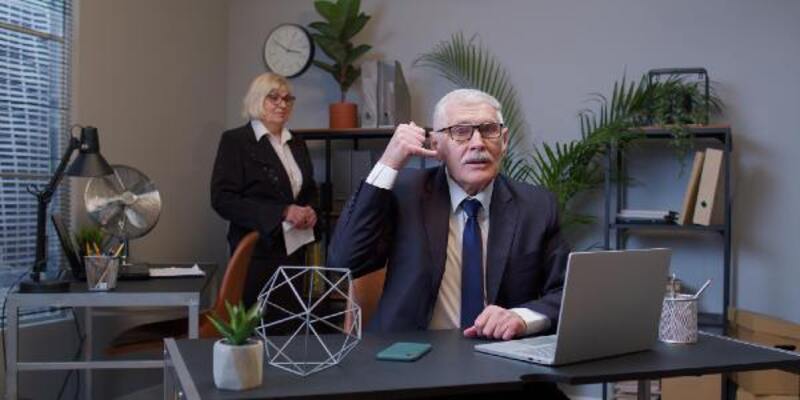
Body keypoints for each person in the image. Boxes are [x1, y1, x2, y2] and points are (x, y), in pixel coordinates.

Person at [328, 88, 569, 340]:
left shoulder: (536, 205)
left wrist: (522, 317)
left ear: (504, 141)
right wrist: (388, 162)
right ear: (436, 145)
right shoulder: (404, 194)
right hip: (410, 355)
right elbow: (344, 261)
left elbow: (566, 291)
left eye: (488, 130)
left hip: (501, 353)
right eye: (461, 132)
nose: (478, 143)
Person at [211, 72, 318, 310]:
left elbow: (308, 190)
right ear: (257, 100)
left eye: (288, 99)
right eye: (274, 98)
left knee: (290, 324)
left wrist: (311, 210)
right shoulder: (236, 141)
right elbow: (222, 199)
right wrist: (283, 211)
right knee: (258, 327)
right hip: (256, 251)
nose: (282, 104)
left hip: (295, 248)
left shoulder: (297, 142)